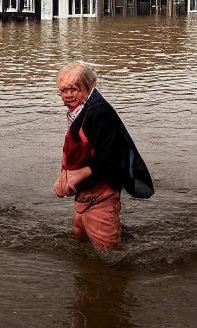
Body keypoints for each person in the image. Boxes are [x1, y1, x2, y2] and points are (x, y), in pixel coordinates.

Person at [53, 62, 153, 252]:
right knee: (79, 234)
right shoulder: (82, 109)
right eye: (63, 90)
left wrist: (79, 174)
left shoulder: (100, 113)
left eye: (73, 89)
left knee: (109, 253)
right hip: (85, 195)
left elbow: (114, 157)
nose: (67, 95)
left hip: (102, 194)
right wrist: (65, 175)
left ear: (90, 85)